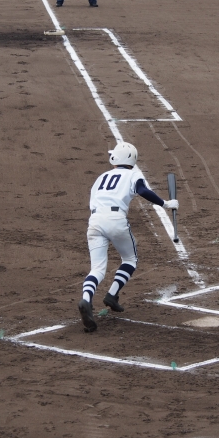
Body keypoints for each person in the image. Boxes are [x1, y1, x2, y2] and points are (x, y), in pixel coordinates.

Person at [78, 142, 178, 332]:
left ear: (115, 158)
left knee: (97, 269)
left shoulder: (101, 177)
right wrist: (165, 204)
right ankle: (112, 294)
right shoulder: (133, 174)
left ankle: (86, 299)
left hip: (95, 221)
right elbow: (143, 191)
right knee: (130, 259)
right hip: (115, 220)